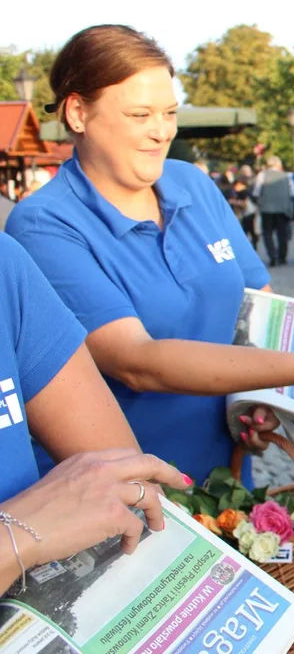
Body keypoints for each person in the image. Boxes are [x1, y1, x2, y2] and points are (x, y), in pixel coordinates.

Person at [7, 24, 294, 489]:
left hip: (224, 478)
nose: (160, 131)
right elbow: (136, 360)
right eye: (140, 114)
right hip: (127, 493)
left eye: (169, 113)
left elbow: (260, 308)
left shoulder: (191, 183)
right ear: (77, 113)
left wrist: (262, 404)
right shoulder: (44, 224)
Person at [0, 230, 189, 594]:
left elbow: (135, 494)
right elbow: (135, 360)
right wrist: (19, 534)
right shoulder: (46, 223)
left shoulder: (6, 265)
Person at [253, 155, 294, 266]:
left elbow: (257, 192)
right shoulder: (286, 176)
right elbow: (293, 192)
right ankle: (282, 257)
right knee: (282, 234)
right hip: (283, 208)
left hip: (267, 209)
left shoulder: (262, 176)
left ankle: (272, 256)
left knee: (267, 233)